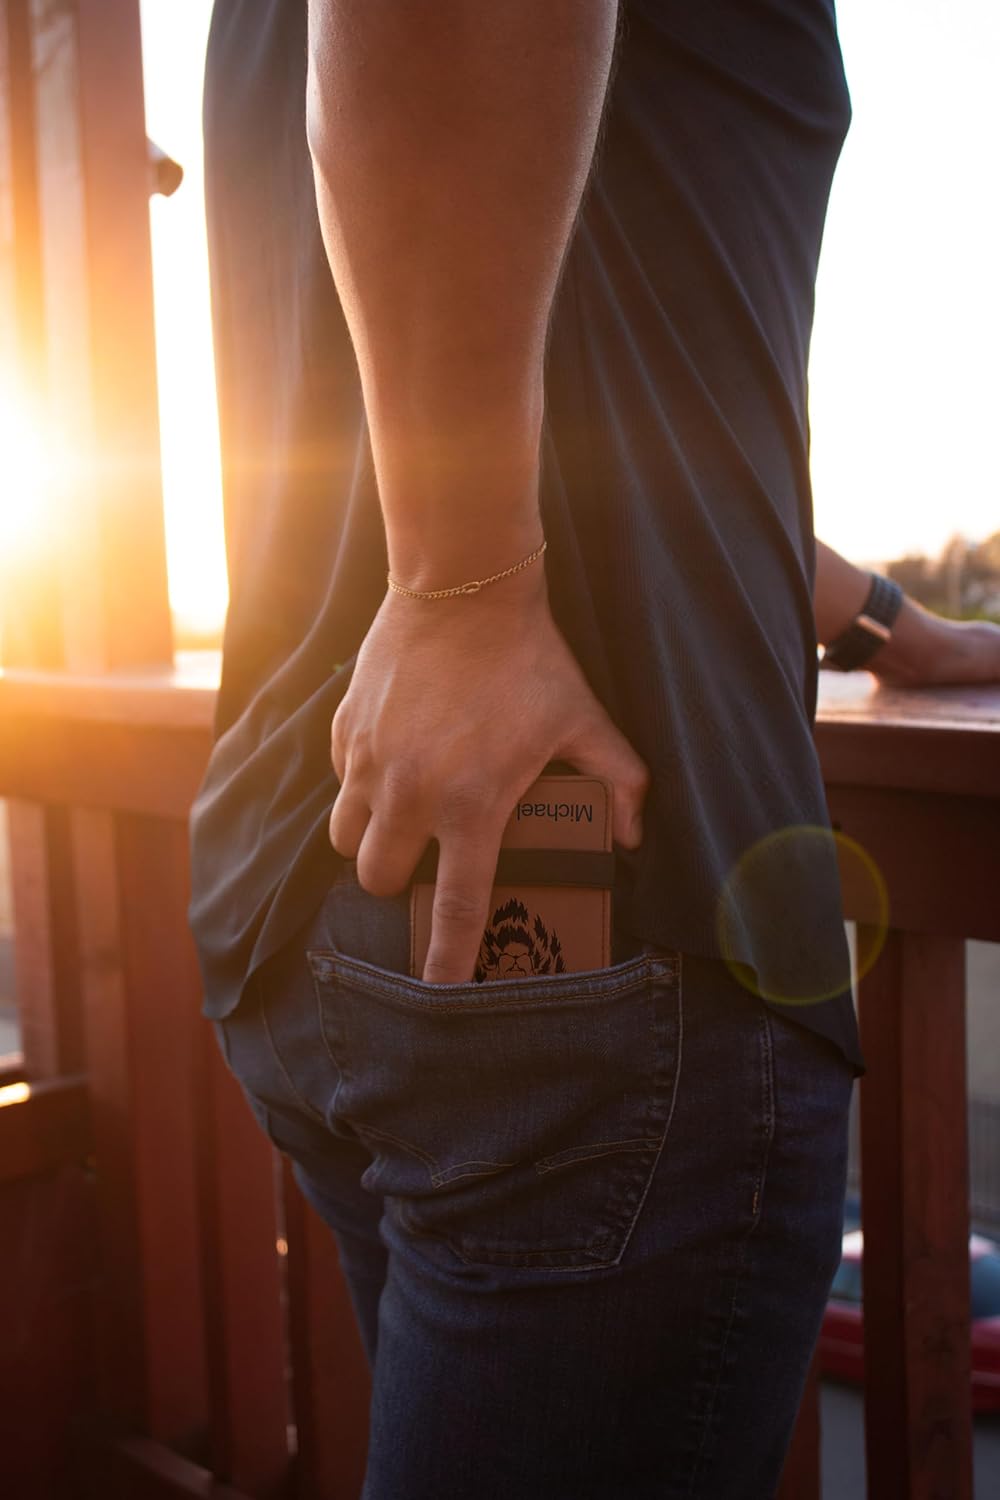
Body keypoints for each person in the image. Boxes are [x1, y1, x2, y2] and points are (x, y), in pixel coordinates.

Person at [189, 4, 999, 1496]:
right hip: (585, 900)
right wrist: (462, 590)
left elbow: (633, 380)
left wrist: (884, 624)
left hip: (328, 862)